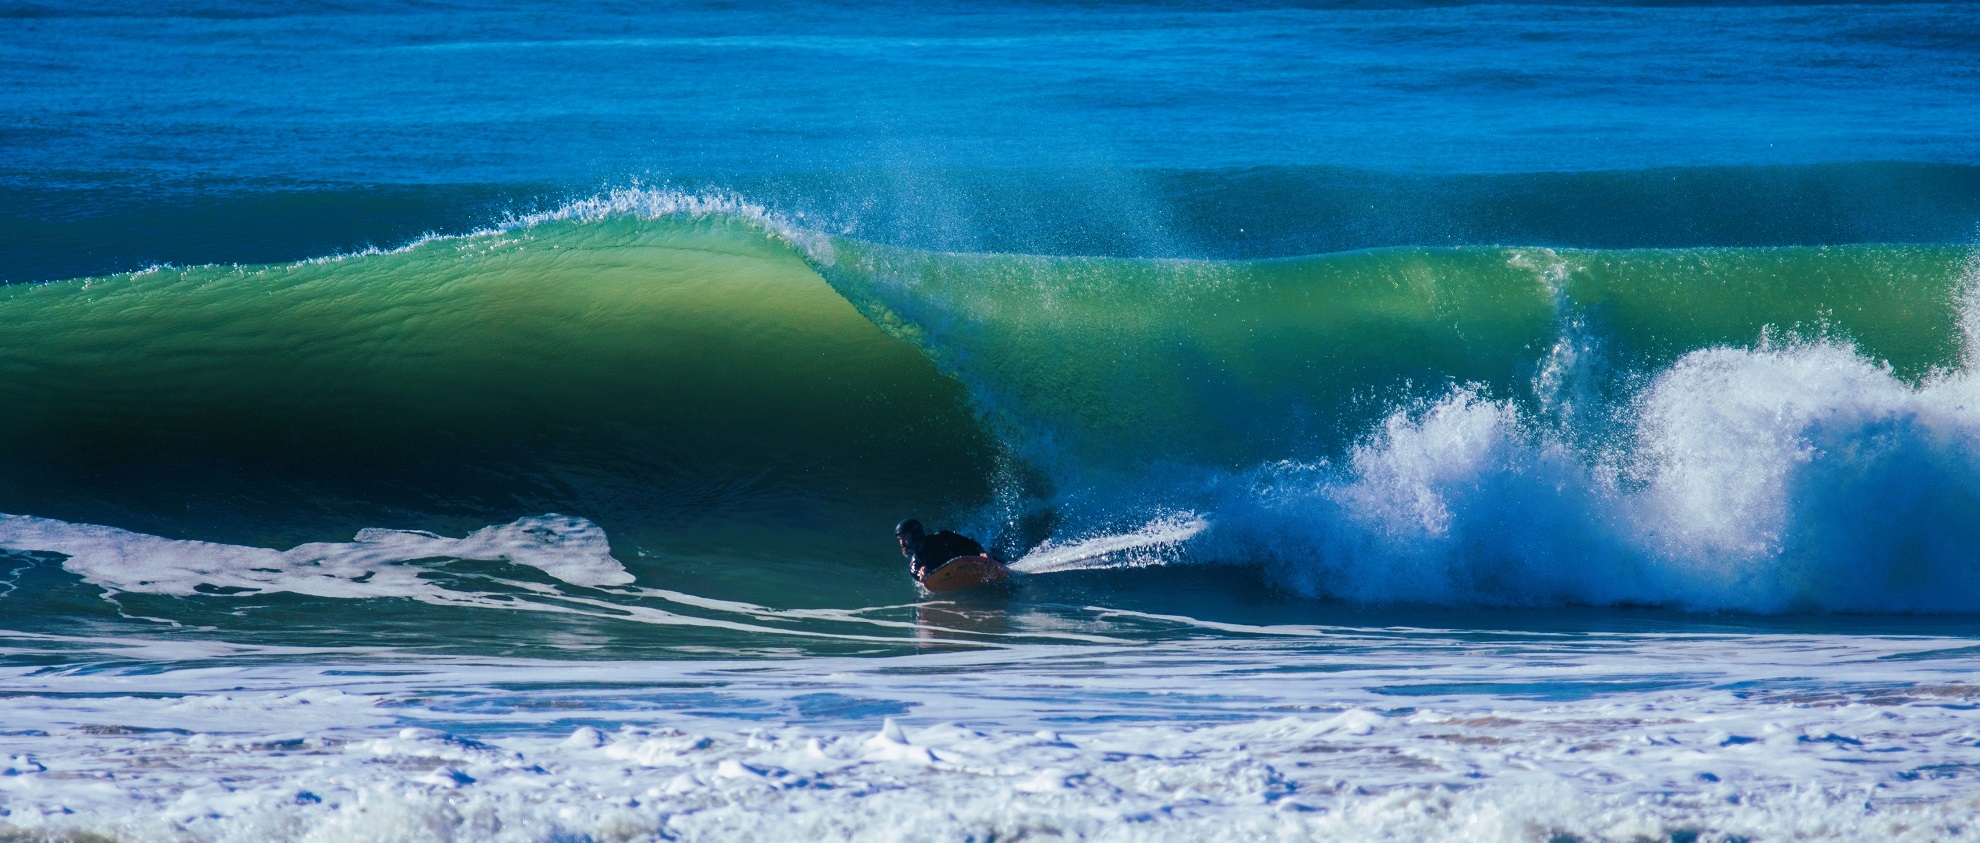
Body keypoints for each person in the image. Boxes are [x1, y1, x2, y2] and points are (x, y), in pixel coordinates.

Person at [895, 518, 985, 582]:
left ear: (916, 533)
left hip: (970, 560)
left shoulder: (942, 537)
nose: (902, 543)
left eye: (905, 537)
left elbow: (969, 543)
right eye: (900, 539)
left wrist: (982, 552)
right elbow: (914, 571)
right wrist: (921, 573)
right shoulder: (916, 561)